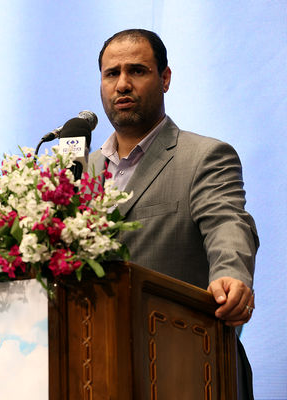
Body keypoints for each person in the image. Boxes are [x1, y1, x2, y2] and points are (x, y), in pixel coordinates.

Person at [89, 29, 258, 399]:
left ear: (165, 78)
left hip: (187, 366)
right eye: (111, 73)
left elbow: (228, 224)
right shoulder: (77, 173)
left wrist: (231, 274)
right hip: (97, 369)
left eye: (137, 70)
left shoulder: (204, 157)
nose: (122, 84)